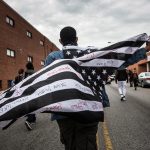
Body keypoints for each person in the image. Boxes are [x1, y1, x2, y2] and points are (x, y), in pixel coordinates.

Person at [45, 26, 99, 150]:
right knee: (88, 143)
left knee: (70, 144)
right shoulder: (89, 54)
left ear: (60, 41)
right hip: (88, 109)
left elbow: (48, 83)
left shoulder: (53, 57)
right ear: (77, 39)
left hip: (64, 111)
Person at [24, 62, 36, 131]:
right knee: (33, 105)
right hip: (33, 90)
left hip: (26, 91)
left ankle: (33, 119)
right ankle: (29, 120)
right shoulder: (34, 72)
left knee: (29, 105)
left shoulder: (25, 73)